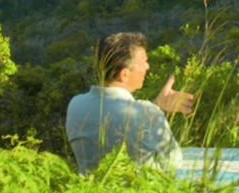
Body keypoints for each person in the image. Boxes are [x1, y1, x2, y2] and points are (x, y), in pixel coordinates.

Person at [66, 31, 195, 175]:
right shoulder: (148, 113)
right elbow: (173, 163)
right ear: (124, 74)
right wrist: (154, 110)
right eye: (143, 63)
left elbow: (116, 118)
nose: (147, 67)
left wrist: (156, 104)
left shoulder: (75, 104)